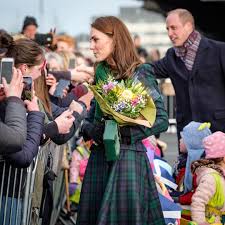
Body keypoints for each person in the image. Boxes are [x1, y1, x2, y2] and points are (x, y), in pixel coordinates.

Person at [76, 16, 168, 225]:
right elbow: (90, 117)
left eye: (95, 40)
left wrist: (123, 134)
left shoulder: (140, 72)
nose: (91, 46)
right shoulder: (101, 74)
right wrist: (91, 129)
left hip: (128, 159)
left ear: (114, 39)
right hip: (100, 159)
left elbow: (161, 119)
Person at [151, 8, 225, 142]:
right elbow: (148, 69)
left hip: (219, 131)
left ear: (189, 26)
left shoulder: (219, 50)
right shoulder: (171, 56)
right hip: (187, 134)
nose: (170, 33)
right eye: (167, 29)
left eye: (174, 28)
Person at [191, 131, 225, 225]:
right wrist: (201, 222)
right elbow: (198, 201)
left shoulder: (221, 175)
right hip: (211, 221)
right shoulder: (211, 178)